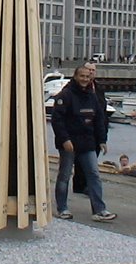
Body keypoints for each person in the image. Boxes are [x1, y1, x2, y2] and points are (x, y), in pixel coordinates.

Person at [50, 65, 116, 222]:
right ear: (75, 76)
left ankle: (99, 210)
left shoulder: (92, 96)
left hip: (88, 143)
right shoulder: (65, 96)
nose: (85, 79)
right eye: (82, 76)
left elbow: (99, 119)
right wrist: (64, 139)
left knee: (94, 175)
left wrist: (102, 140)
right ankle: (62, 208)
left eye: (87, 76)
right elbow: (57, 120)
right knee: (65, 175)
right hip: (69, 143)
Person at [73, 61, 108, 194]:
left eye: (93, 70)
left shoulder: (98, 88)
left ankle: (88, 187)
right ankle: (80, 186)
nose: (91, 73)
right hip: (82, 131)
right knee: (81, 161)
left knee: (93, 161)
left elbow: (101, 111)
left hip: (96, 129)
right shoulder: (75, 91)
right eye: (89, 70)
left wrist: (103, 135)